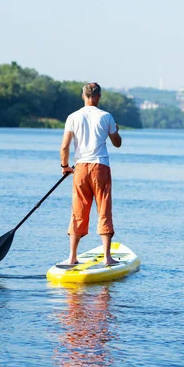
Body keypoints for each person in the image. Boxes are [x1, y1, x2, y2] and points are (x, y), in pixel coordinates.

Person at [60, 82, 122, 265]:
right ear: (98, 97)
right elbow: (117, 143)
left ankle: (72, 257)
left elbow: (65, 146)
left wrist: (64, 166)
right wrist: (116, 131)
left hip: (80, 168)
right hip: (100, 167)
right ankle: (108, 258)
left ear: (83, 96)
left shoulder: (72, 117)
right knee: (103, 209)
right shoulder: (106, 117)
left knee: (78, 210)